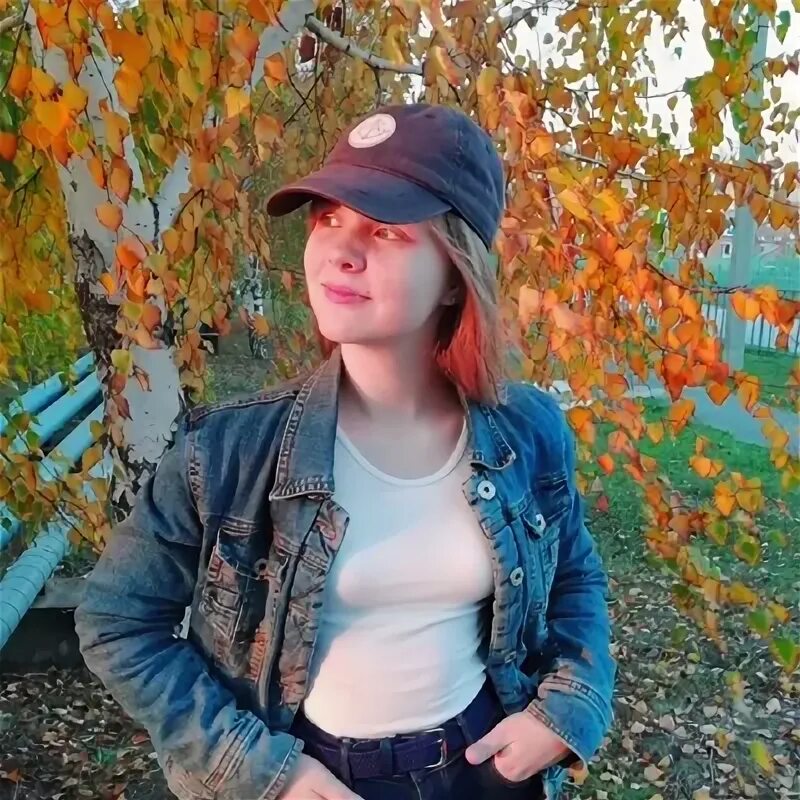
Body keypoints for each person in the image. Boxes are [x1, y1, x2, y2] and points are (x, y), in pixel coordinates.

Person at [75, 103, 616, 800]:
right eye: (328, 218)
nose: (340, 251)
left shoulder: (527, 429)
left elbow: (574, 574)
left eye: (385, 230)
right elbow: (117, 620)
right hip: (317, 778)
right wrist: (265, 771)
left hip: (487, 766)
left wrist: (569, 707)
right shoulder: (229, 454)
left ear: (456, 274)